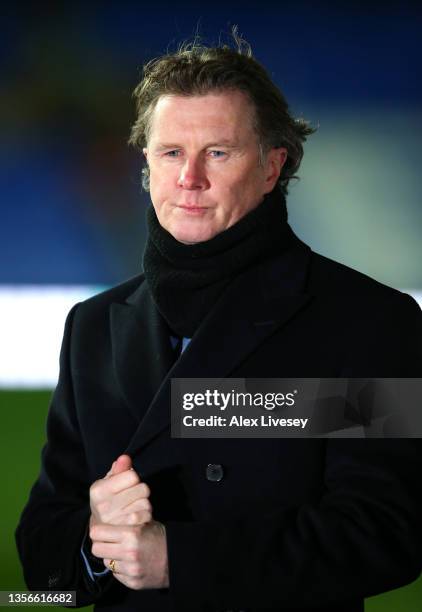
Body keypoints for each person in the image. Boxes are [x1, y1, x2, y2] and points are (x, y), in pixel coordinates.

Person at [16, 34, 422, 612]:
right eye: (171, 152)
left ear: (272, 166)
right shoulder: (94, 327)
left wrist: (177, 558)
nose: (190, 178)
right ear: (147, 165)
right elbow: (41, 583)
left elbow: (386, 534)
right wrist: (93, 539)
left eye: (220, 152)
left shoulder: (371, 322)